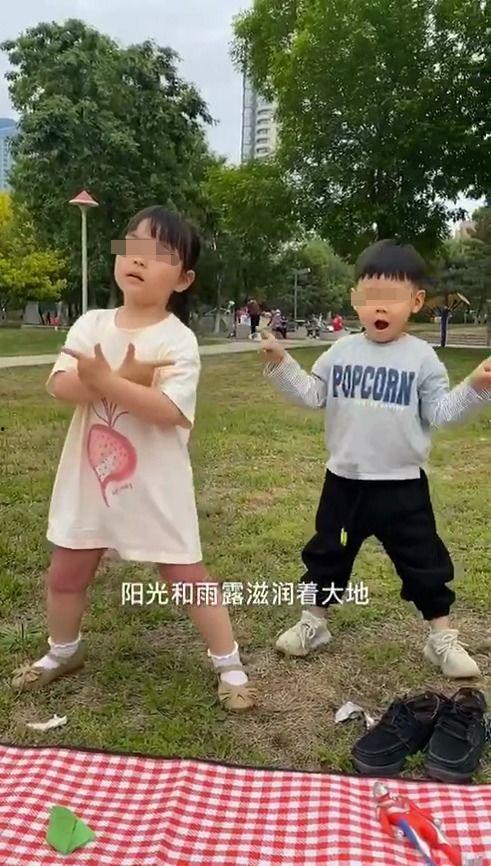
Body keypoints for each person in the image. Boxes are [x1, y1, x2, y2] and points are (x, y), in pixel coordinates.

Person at [11, 205, 256, 713]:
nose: (139, 259)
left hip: (155, 486)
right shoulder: (92, 324)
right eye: (133, 246)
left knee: (187, 577)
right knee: (65, 573)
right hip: (90, 483)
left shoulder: (177, 340)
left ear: (183, 279)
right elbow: (60, 385)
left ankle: (229, 662)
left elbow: (169, 411)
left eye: (159, 253)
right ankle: (63, 651)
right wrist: (110, 381)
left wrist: (112, 383)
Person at [261, 239, 490, 678]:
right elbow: (311, 394)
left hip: (403, 486)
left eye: (392, 298)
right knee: (327, 554)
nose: (379, 308)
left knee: (423, 561)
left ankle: (441, 638)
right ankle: (313, 623)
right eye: (370, 297)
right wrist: (281, 364)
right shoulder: (341, 351)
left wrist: (476, 387)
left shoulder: (422, 358)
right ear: (355, 299)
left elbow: (441, 413)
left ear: (416, 302)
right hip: (344, 483)